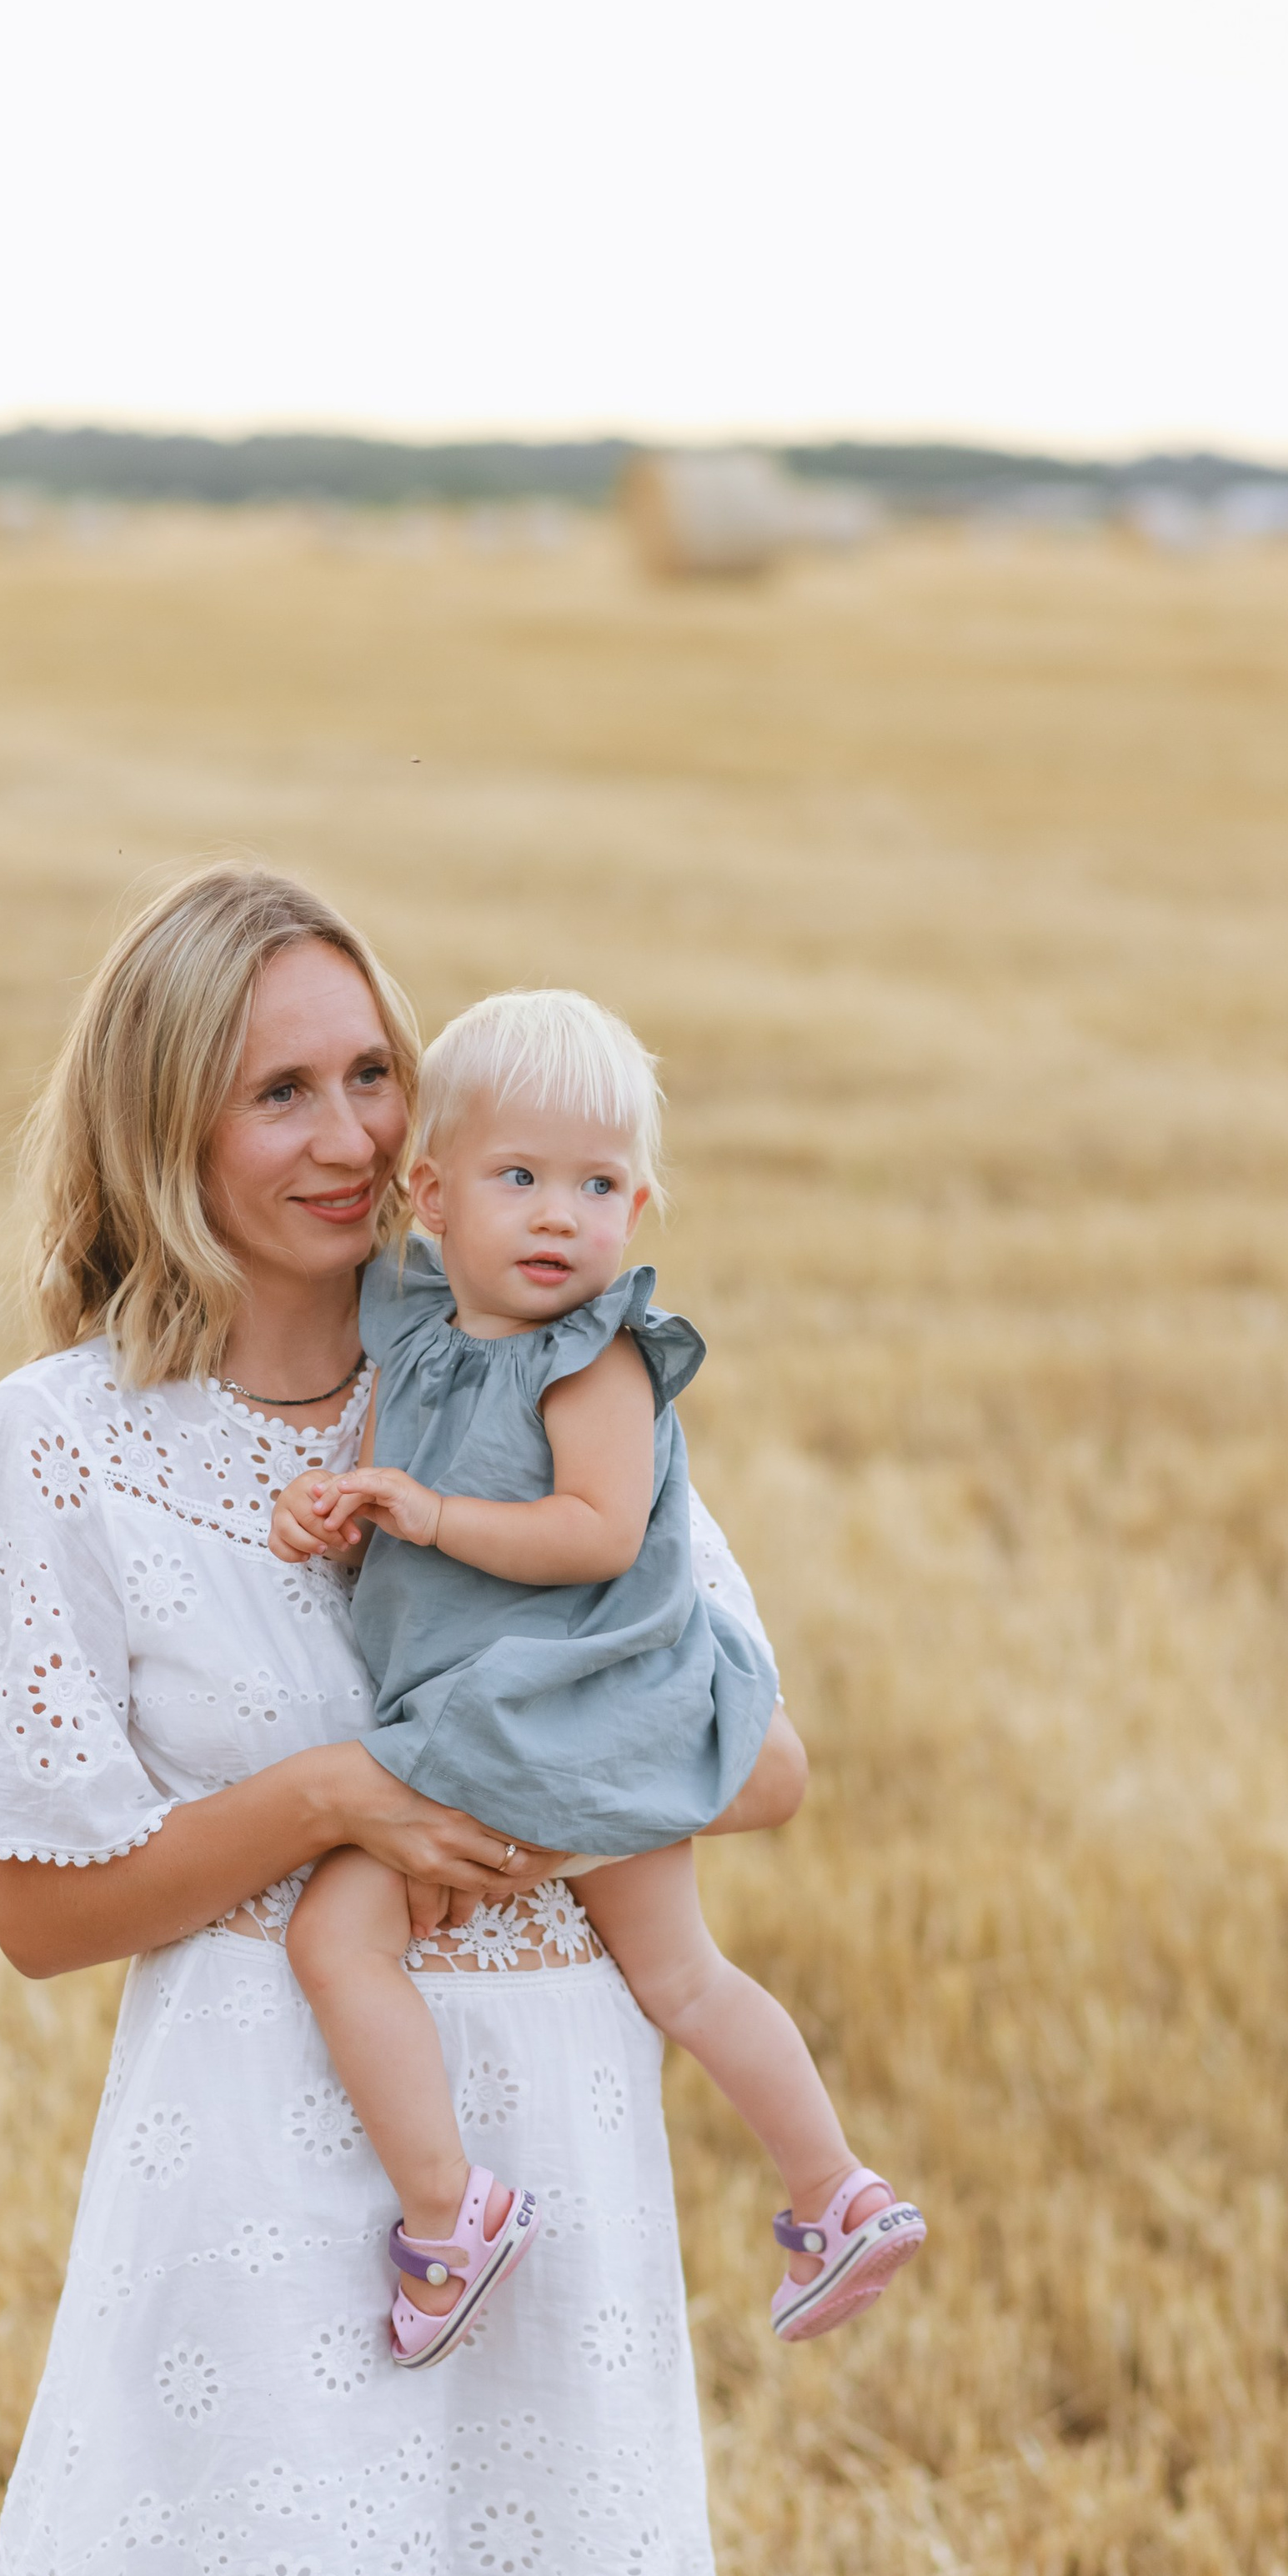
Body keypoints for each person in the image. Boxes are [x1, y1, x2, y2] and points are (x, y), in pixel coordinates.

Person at [0, 862, 812, 2576]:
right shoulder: (67, 1447)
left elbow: (761, 1762)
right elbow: (36, 1914)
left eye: (373, 1070)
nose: (352, 1133)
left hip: (548, 2145)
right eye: (277, 1090)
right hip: (281, 2175)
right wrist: (316, 1804)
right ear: (164, 1132)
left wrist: (485, 1781)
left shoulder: (536, 1378)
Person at [270, 988, 925, 2364]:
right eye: (521, 1178)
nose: (562, 1214)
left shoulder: (594, 1358)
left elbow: (597, 1533)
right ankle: (834, 2194)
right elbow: (401, 1515)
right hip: (529, 1722)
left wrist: (428, 1516)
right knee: (678, 1976)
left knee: (339, 1934)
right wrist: (338, 1514)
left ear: (643, 1202)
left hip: (541, 1720)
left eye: (600, 1184)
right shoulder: (421, 1333)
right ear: (433, 1195)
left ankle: (454, 2211)